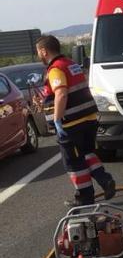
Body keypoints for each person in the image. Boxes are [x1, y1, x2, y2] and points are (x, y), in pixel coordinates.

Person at [37, 35, 115, 206]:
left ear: (44, 51)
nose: (39, 56)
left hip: (71, 123)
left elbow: (61, 93)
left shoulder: (56, 69)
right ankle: (105, 179)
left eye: (38, 52)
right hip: (88, 118)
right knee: (87, 153)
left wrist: (57, 119)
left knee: (74, 162)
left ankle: (85, 198)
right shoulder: (71, 64)